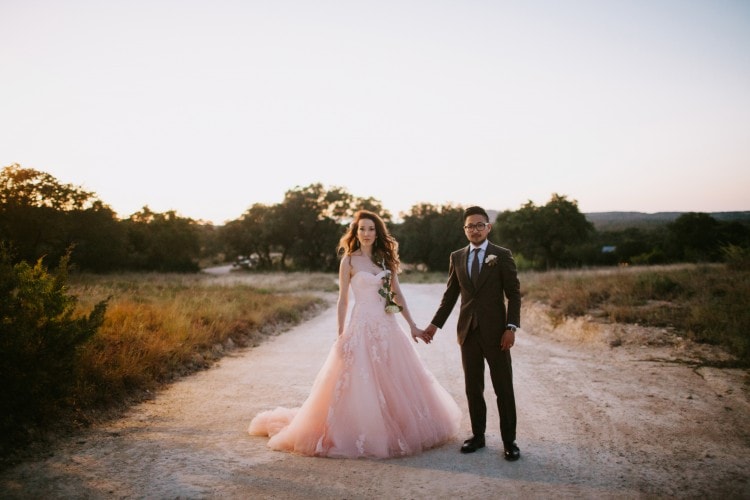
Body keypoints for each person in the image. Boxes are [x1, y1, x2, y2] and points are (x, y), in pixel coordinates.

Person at [248, 209, 461, 458]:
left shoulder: (386, 259)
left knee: (396, 379)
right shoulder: (348, 261)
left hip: (388, 326)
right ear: (355, 232)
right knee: (358, 382)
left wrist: (413, 325)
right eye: (362, 229)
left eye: (371, 229)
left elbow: (398, 294)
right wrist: (341, 334)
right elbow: (343, 300)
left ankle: (398, 428)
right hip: (361, 326)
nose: (367, 233)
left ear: (377, 232)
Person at [423, 206, 522, 461]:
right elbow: (450, 297)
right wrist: (434, 325)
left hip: (497, 333)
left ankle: (509, 441)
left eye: (480, 225)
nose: (475, 230)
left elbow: (513, 295)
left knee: (503, 388)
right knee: (472, 387)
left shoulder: (501, 255)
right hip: (468, 333)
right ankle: (478, 437)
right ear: (464, 229)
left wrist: (511, 327)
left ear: (488, 227)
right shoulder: (457, 257)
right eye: (470, 226)